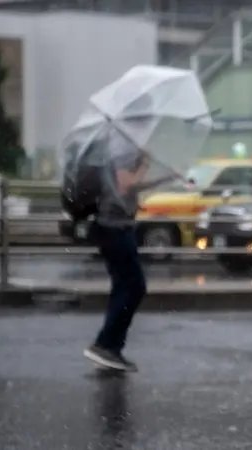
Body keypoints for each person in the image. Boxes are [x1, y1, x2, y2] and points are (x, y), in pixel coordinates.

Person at [83, 122, 178, 372]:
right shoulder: (121, 147)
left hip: (114, 226)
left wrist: (165, 177)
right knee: (135, 287)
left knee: (123, 286)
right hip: (114, 228)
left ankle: (111, 347)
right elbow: (125, 184)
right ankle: (105, 344)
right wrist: (145, 163)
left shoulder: (119, 145)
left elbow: (130, 187)